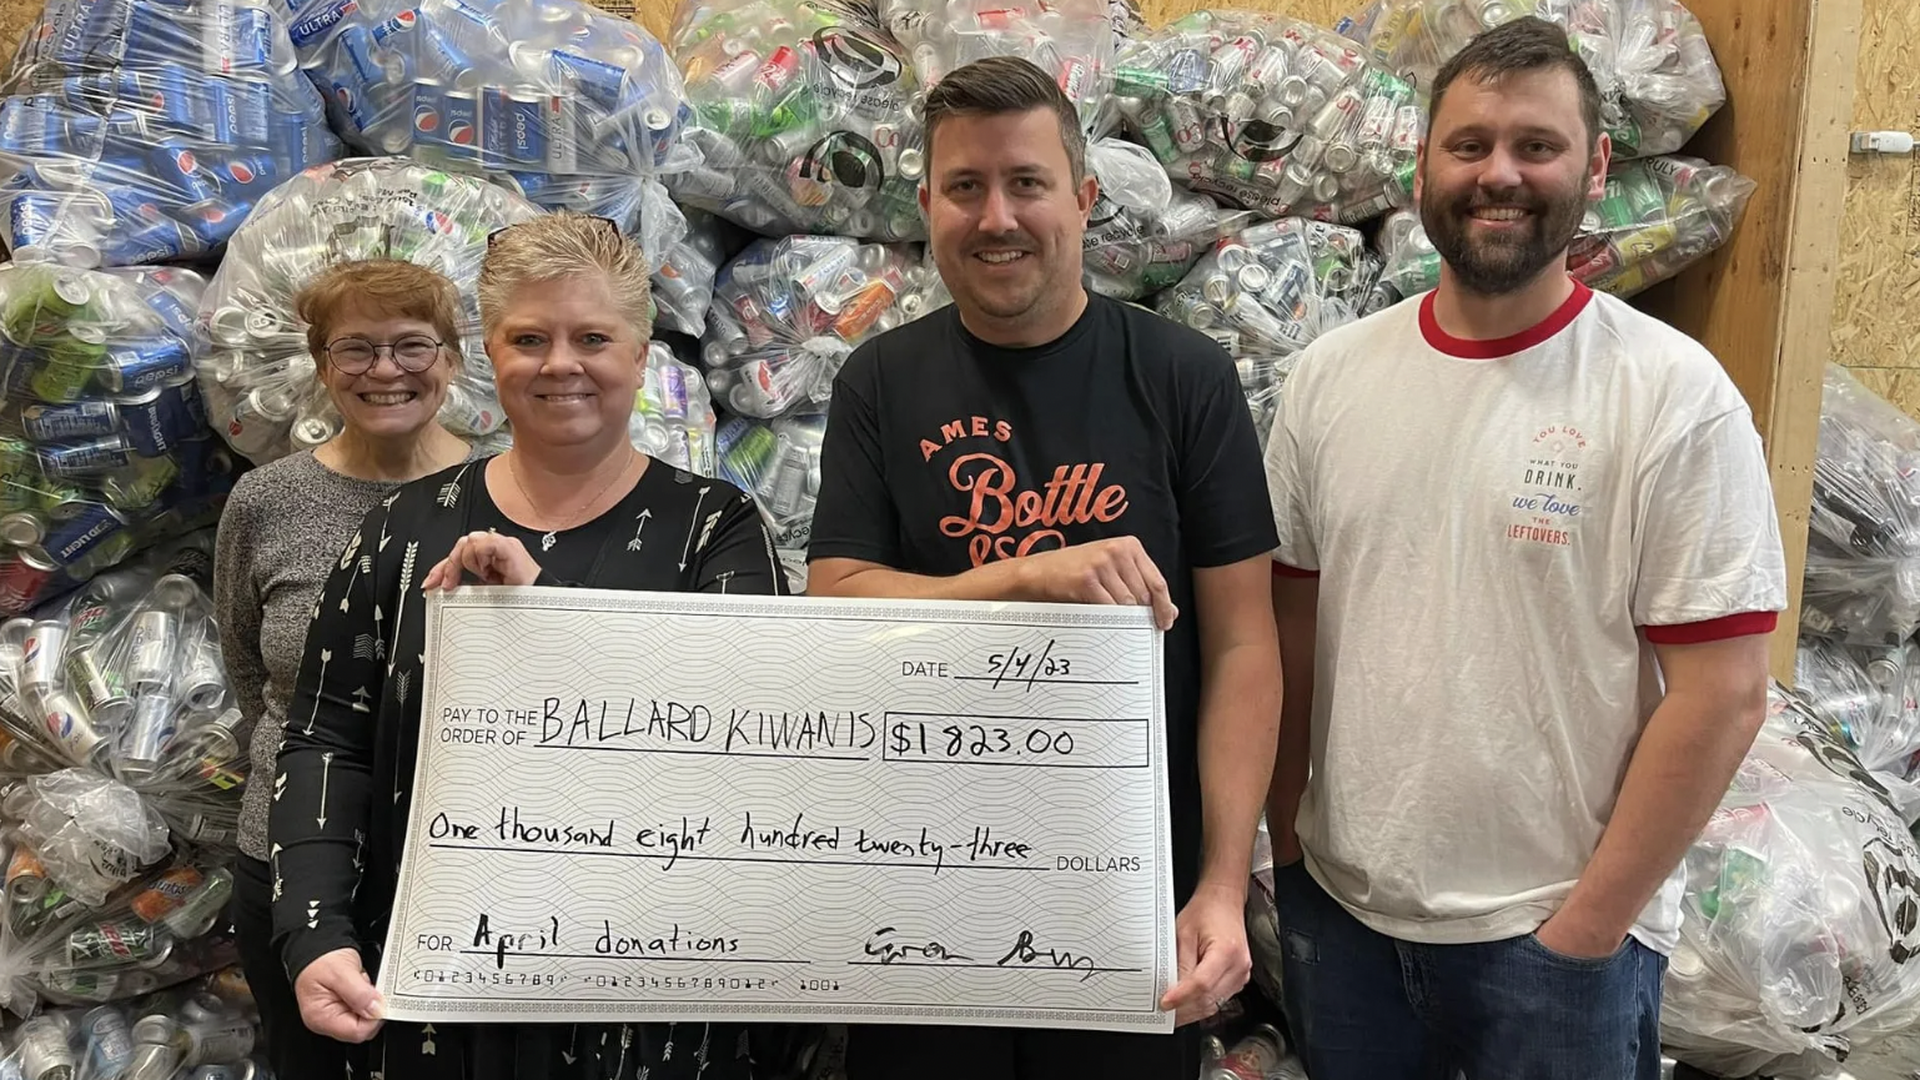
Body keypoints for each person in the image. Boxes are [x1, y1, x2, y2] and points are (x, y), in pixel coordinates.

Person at [1261, 18, 1787, 1080]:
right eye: (1470, 145)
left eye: (1536, 146)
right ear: (1423, 164)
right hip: (1345, 923)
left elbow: (1724, 694)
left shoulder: (1669, 394)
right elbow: (1289, 630)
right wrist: (1290, 846)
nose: (1499, 173)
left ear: (1595, 167)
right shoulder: (1329, 378)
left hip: (1553, 945)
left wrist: (1588, 928)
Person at [807, 56, 1282, 1079]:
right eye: (965, 187)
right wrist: (1029, 578)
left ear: (1085, 197)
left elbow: (1245, 646)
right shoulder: (879, 381)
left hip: (1128, 898)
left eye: (1027, 182)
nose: (997, 218)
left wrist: (1220, 884)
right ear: (926, 207)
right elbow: (837, 601)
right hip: (921, 895)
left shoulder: (1187, 378)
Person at [269, 212, 800, 1079]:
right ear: (490, 352)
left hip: (649, 1002)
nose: (560, 364)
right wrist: (314, 931)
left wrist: (545, 612)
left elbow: (746, 750)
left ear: (640, 355)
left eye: (592, 337)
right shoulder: (402, 528)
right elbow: (327, 742)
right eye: (529, 339)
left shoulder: (715, 529)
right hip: (434, 996)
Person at [216, 259, 475, 1079]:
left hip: (460, 861)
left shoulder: (505, 492)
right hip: (288, 865)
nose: (385, 370)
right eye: (355, 348)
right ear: (322, 367)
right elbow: (249, 671)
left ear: (453, 359)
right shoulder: (266, 501)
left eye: (412, 345)